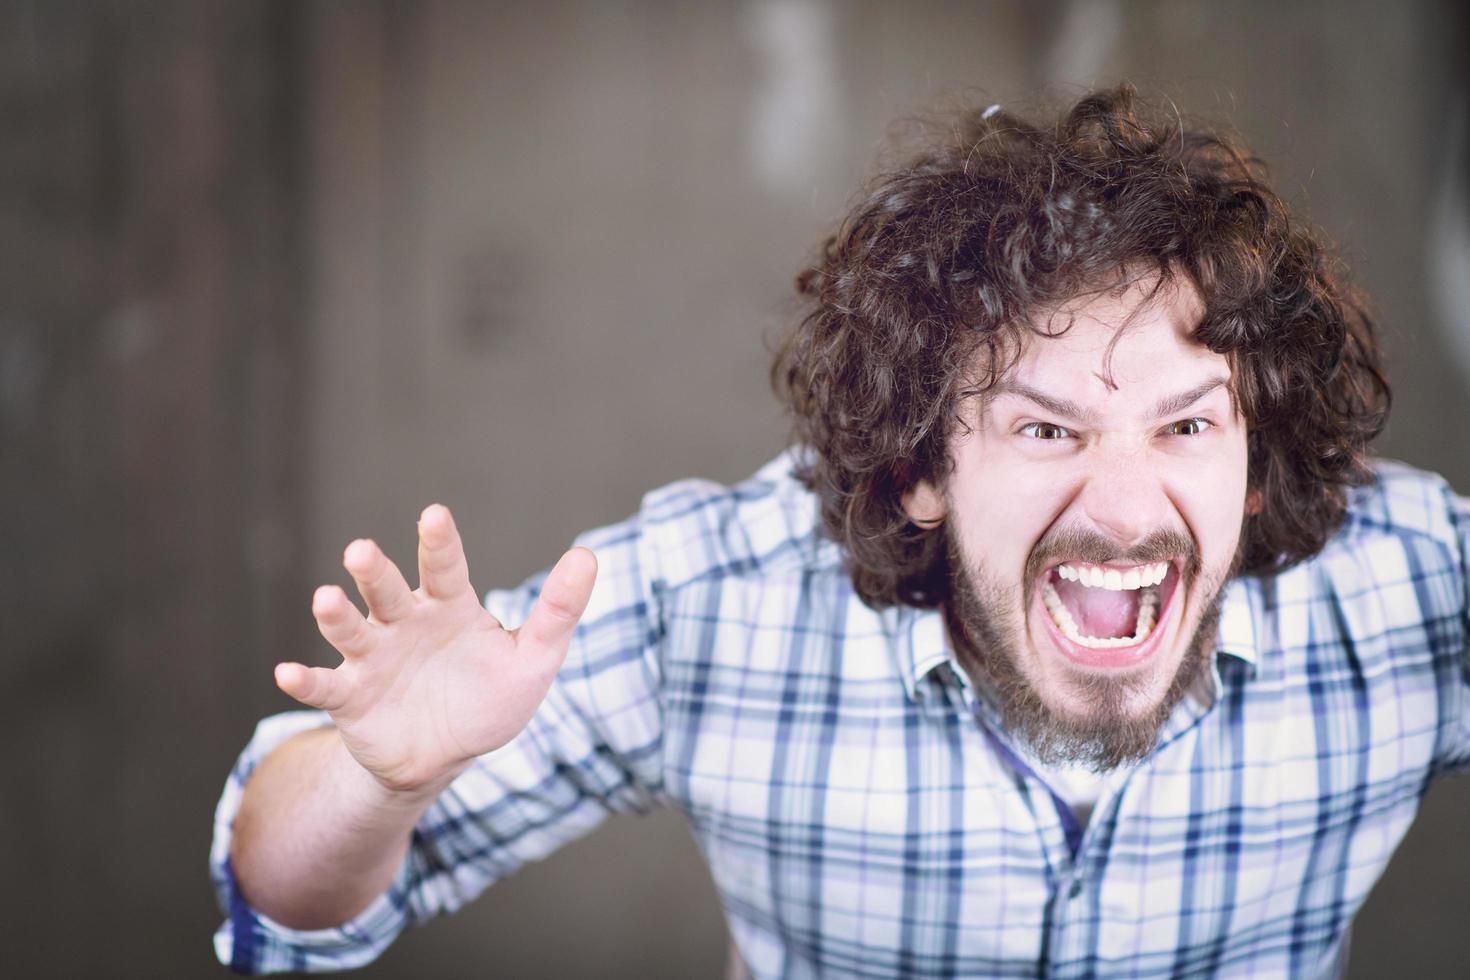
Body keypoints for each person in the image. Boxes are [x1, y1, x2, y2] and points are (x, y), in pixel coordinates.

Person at [211, 85, 1467, 977]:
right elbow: (283, 906)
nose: (1131, 506)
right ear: (922, 464)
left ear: (1255, 464)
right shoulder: (714, 601)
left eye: (1188, 427)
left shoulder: (1412, 586)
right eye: (1045, 430)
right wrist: (382, 778)